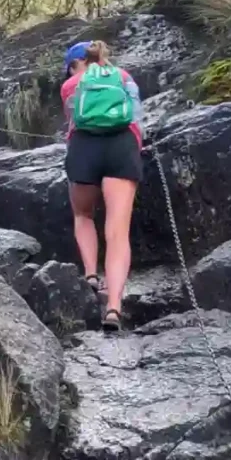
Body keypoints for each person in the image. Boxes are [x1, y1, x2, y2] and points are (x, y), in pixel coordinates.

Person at [60, 40, 143, 332]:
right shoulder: (124, 77)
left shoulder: (70, 84)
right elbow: (136, 118)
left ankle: (91, 274)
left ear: (74, 64)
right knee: (117, 232)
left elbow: (72, 123)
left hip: (84, 150)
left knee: (84, 215)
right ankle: (114, 307)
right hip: (122, 147)